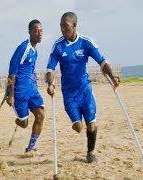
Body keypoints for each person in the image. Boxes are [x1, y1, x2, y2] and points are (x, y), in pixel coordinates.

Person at [46, 12, 120, 163]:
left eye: (65, 26)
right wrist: (50, 84)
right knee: (79, 127)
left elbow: (103, 62)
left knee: (91, 124)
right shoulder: (58, 46)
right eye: (60, 26)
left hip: (85, 90)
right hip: (69, 93)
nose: (62, 29)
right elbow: (50, 69)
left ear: (74, 26)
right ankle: (78, 124)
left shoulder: (86, 43)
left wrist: (113, 77)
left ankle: (90, 152)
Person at [6, 19, 45, 154]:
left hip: (32, 89)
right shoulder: (23, 48)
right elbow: (12, 71)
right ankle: (19, 120)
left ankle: (31, 147)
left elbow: (31, 70)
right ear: (29, 32)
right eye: (36, 31)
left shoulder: (35, 50)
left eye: (41, 31)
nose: (39, 34)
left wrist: (35, 80)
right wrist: (10, 95)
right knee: (24, 124)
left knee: (40, 115)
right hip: (19, 91)